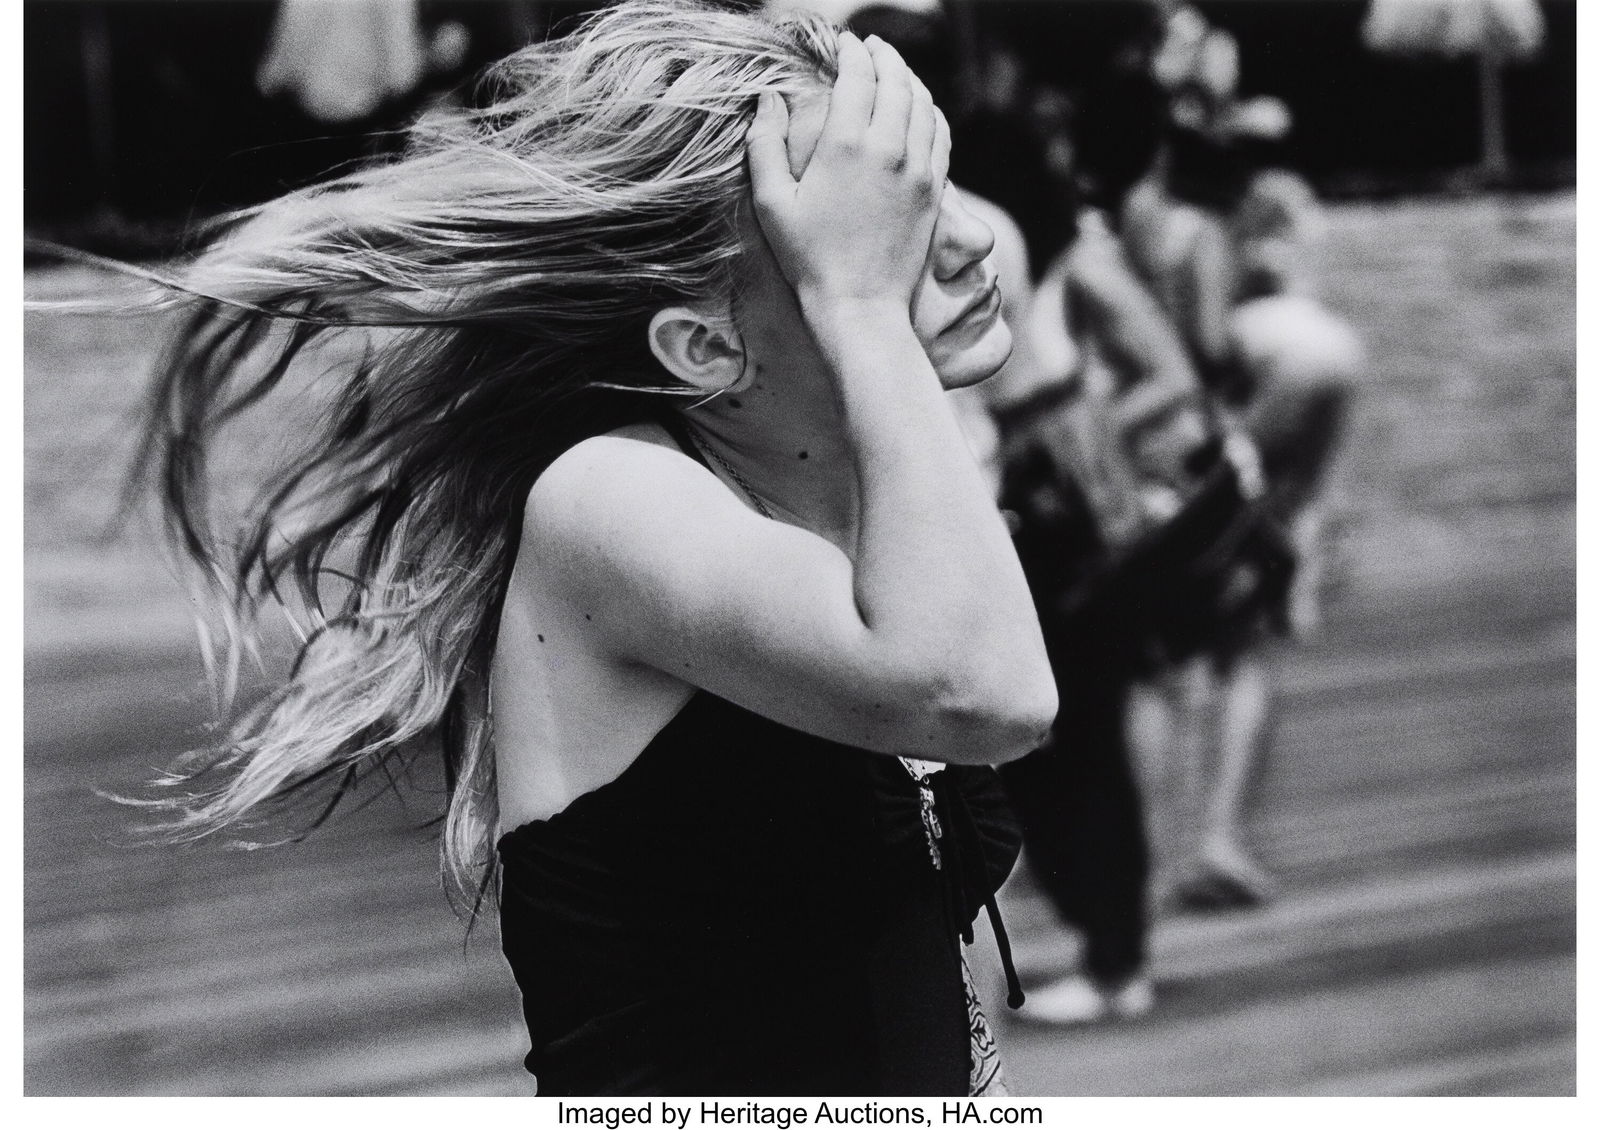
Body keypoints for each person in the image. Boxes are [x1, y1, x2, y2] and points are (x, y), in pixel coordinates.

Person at [67, 0, 1056, 1096]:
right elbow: (984, 694)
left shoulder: (835, 509)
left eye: (931, 186)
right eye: (875, 229)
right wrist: (866, 310)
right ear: (701, 347)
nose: (969, 240)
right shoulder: (607, 503)